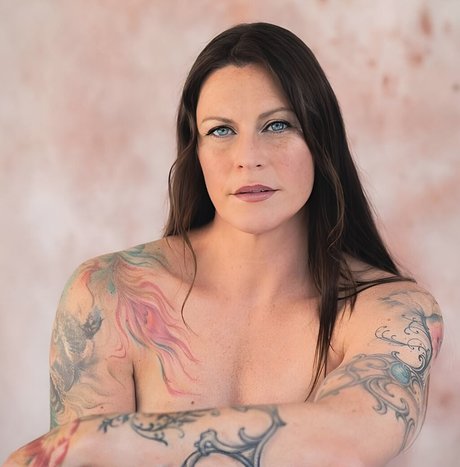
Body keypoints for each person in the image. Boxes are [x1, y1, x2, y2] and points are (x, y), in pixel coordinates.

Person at [5, 22, 443, 466]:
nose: (248, 158)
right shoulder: (110, 295)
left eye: (277, 125)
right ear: (195, 150)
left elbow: (348, 438)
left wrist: (99, 441)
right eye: (220, 130)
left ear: (320, 139)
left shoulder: (391, 310)